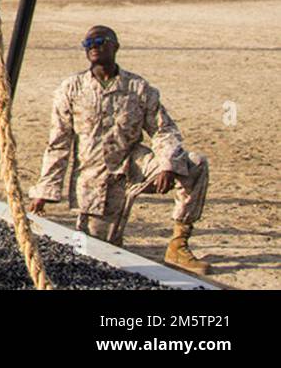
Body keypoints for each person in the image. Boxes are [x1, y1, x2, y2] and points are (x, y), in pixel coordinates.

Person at [29, 25, 211, 275]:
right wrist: (45, 190)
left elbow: (163, 129)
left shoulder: (138, 88)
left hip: (134, 165)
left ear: (115, 46)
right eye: (88, 43)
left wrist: (167, 163)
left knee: (194, 164)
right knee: (101, 256)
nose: (93, 46)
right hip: (96, 181)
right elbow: (58, 142)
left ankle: (179, 245)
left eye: (100, 41)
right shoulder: (70, 89)